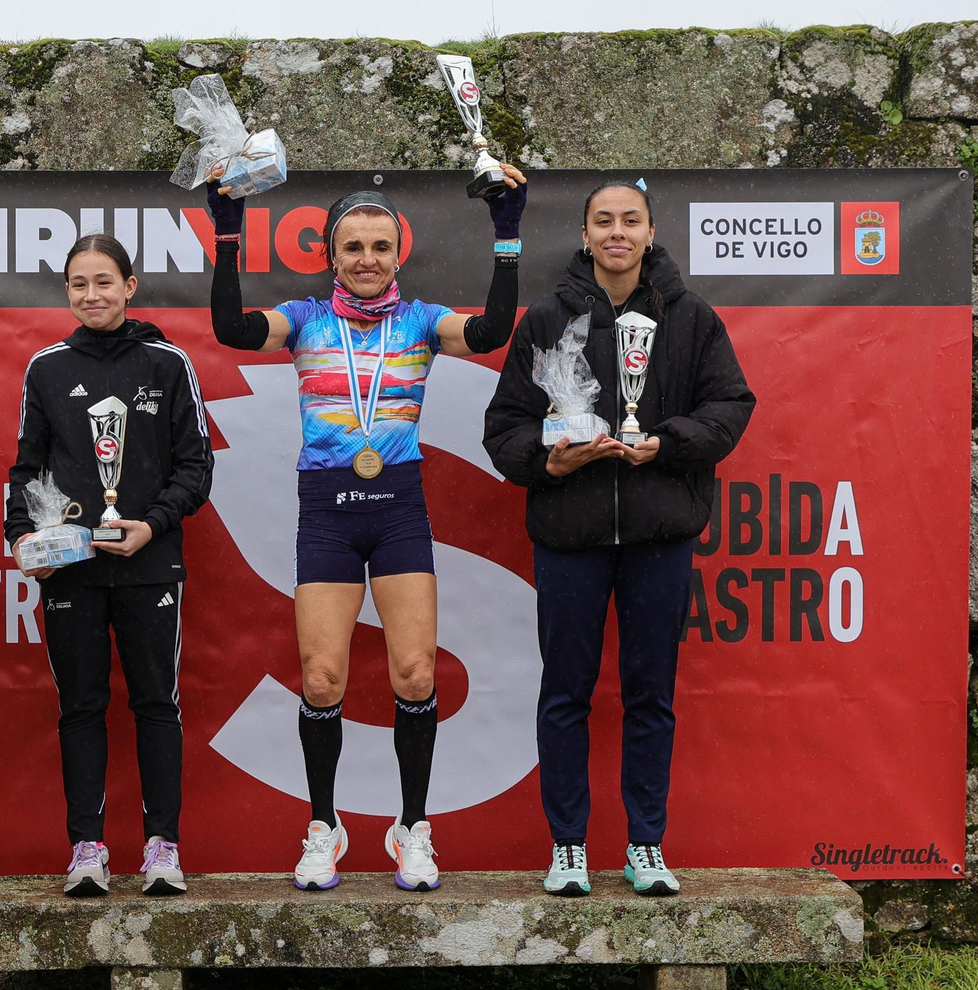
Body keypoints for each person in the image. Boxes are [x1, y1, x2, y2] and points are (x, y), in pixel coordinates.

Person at [209, 170, 527, 890]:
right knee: (322, 679)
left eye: (380, 246)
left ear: (397, 254)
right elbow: (232, 329)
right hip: (326, 511)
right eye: (353, 246)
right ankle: (324, 826)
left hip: (398, 510)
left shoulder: (418, 321)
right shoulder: (304, 318)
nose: (367, 259)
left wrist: (506, 237)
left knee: (414, 672)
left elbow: (489, 333)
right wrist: (229, 234)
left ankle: (412, 829)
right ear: (332, 255)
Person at [483, 179, 755, 898]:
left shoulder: (691, 318)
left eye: (629, 221)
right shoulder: (545, 320)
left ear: (650, 231)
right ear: (583, 235)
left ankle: (645, 845)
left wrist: (664, 444)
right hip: (569, 538)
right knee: (565, 694)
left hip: (658, 535)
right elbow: (503, 429)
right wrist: (551, 460)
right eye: (603, 221)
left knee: (650, 696)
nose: (616, 233)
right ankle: (568, 846)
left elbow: (730, 406)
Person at [6, 234, 213, 898]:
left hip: (150, 567)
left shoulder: (168, 362)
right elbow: (26, 470)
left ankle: (162, 847)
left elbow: (197, 468)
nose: (90, 295)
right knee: (80, 706)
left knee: (157, 704)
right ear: (66, 292)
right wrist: (23, 542)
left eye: (103, 281)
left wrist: (150, 524)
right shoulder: (45, 368)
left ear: (130, 286)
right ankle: (86, 847)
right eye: (77, 284)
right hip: (72, 570)